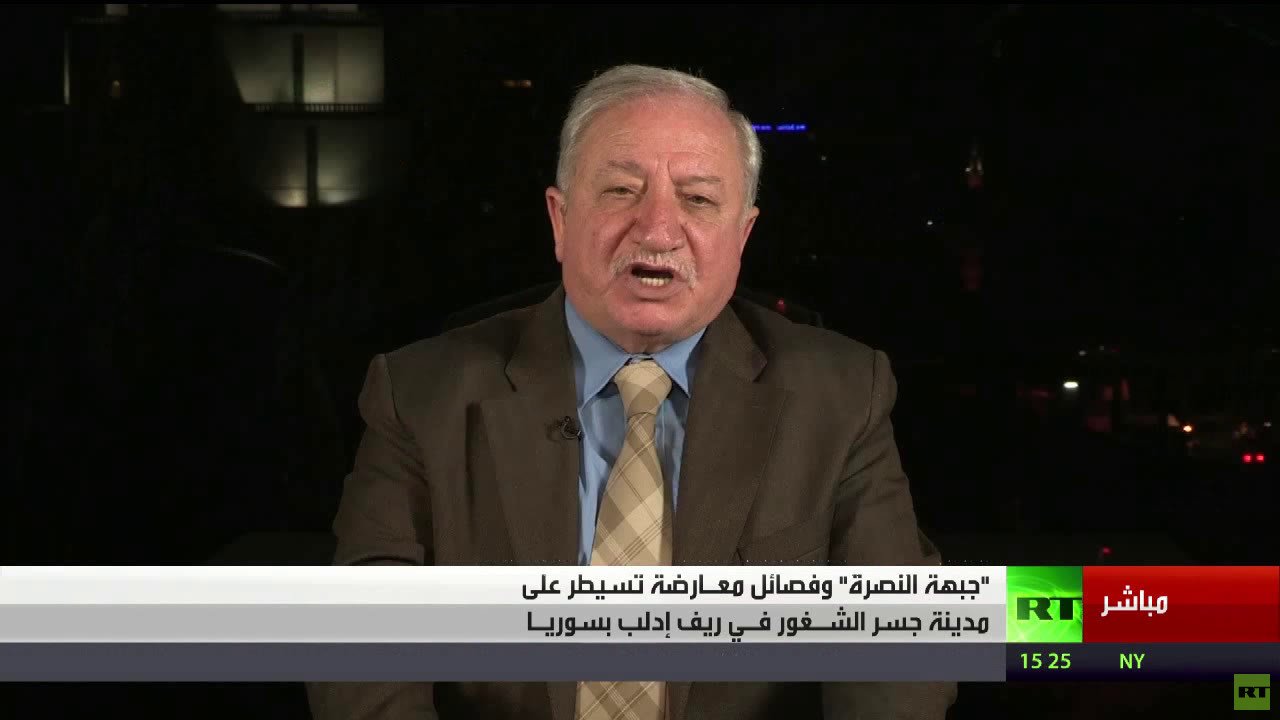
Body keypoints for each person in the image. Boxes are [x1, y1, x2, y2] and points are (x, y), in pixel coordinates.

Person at [307, 64, 955, 720]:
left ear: (742, 236)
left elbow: (899, 654)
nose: (657, 230)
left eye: (697, 199)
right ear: (560, 220)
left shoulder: (843, 397)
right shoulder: (418, 395)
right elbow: (362, 656)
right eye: (621, 190)